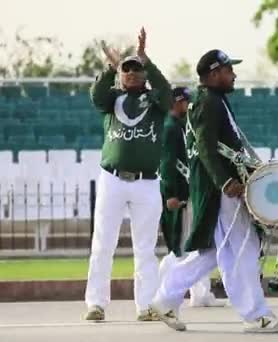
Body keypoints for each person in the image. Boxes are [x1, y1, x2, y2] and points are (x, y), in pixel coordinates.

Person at [150, 49, 278, 333]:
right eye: (229, 70)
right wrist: (226, 182)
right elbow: (204, 147)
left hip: (219, 189)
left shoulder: (214, 101)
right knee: (241, 249)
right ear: (214, 74)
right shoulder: (208, 103)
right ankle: (256, 315)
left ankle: (165, 298)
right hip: (221, 192)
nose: (234, 75)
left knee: (216, 251)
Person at [84, 28, 171, 322]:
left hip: (146, 181)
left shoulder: (156, 101)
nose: (132, 73)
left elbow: (170, 96)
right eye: (127, 68)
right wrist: (111, 66)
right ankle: (96, 304)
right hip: (112, 178)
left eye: (137, 69)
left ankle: (145, 305)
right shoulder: (111, 100)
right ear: (120, 74)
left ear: (144, 73)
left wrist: (147, 59)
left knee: (145, 248)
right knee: (103, 242)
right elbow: (96, 95)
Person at [158, 86, 223, 308]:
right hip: (179, 194)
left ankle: (200, 293)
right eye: (186, 101)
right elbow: (167, 163)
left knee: (195, 243)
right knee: (182, 246)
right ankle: (166, 290)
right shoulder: (169, 128)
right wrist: (170, 193)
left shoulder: (180, 126)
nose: (189, 105)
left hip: (188, 191)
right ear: (177, 102)